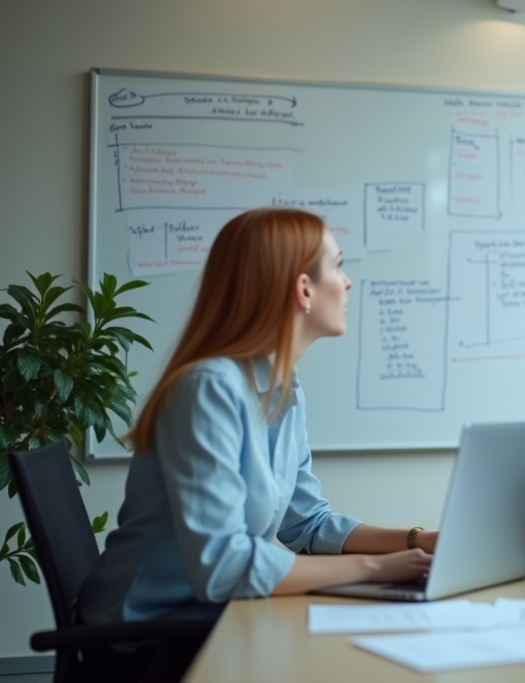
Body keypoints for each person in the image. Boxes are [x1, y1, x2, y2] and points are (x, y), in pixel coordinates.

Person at [78, 209, 437, 663]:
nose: (347, 283)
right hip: (145, 636)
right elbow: (223, 567)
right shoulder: (208, 389)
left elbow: (307, 523)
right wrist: (377, 568)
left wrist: (414, 541)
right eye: (338, 266)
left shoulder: (283, 388)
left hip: (212, 615)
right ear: (304, 288)